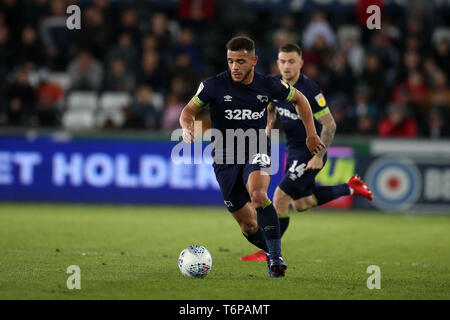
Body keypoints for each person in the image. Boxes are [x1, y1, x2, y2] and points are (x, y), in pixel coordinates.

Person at [179, 36, 325, 277]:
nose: (235, 67)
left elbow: (300, 99)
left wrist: (311, 133)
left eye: (241, 61)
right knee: (248, 225)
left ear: (253, 61)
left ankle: (276, 258)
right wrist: (186, 128)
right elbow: (188, 111)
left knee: (258, 195)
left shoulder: (268, 85)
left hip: (257, 148)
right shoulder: (213, 85)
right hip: (224, 157)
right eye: (230, 61)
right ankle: (270, 252)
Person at [241, 43, 373, 262]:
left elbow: (330, 125)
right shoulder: (275, 85)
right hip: (292, 151)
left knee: (280, 198)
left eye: (291, 61)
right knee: (302, 204)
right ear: (278, 63)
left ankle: (269, 252)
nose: (286, 66)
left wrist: (319, 156)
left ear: (300, 63)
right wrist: (270, 123)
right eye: (282, 61)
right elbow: (271, 106)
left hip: (310, 152)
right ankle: (350, 187)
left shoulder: (310, 91)